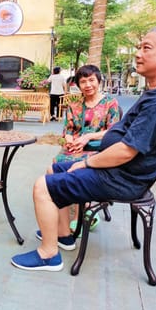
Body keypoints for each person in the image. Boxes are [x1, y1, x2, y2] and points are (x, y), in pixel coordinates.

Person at [11, 25, 156, 271]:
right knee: (53, 169)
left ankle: (48, 254)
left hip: (123, 176)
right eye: (139, 47)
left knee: (42, 186)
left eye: (146, 48)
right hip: (120, 169)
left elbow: (126, 151)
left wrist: (85, 162)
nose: (138, 53)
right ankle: (63, 236)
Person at [44, 65, 120, 249]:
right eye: (83, 81)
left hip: (99, 149)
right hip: (75, 147)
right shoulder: (74, 105)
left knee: (77, 167)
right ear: (78, 84)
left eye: (91, 80)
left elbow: (114, 131)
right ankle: (64, 226)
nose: (87, 85)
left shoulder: (110, 103)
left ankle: (80, 215)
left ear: (99, 81)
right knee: (54, 166)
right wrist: (70, 141)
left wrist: (88, 136)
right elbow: (68, 130)